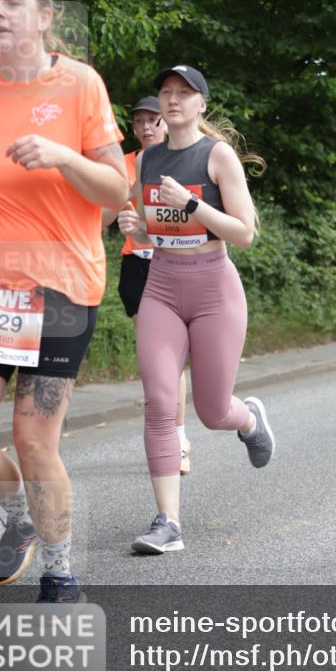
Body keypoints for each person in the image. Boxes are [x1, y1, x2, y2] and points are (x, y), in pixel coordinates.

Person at [0, 0, 127, 602]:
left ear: (45, 18)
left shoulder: (79, 85)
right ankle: (18, 517)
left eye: (12, 3)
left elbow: (116, 188)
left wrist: (63, 155)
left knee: (32, 437)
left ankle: (60, 571)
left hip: (64, 286)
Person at [118, 64, 273, 554]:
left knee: (210, 410)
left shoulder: (217, 155)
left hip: (214, 288)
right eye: (166, 92)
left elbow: (245, 234)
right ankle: (167, 522)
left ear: (201, 104)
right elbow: (152, 228)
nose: (172, 99)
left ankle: (247, 418)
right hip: (161, 285)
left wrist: (190, 204)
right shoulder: (148, 159)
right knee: (161, 404)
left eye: (184, 93)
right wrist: (134, 224)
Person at [102, 96, 191, 474]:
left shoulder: (185, 160)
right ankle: (167, 435)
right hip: (136, 268)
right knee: (157, 359)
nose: (146, 128)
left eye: (153, 120)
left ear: (167, 123)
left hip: (177, 264)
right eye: (139, 122)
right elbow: (105, 210)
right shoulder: (123, 164)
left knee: (172, 358)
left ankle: (179, 438)